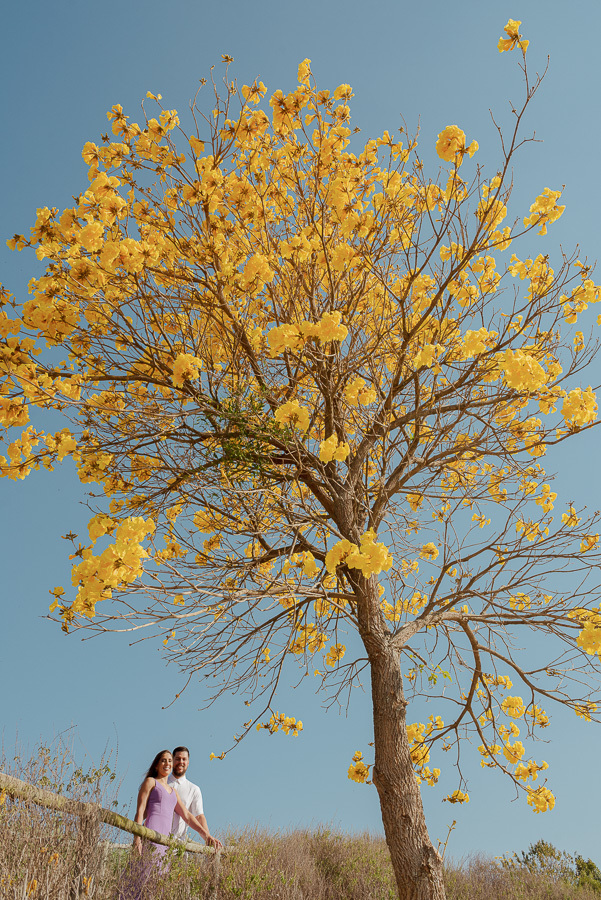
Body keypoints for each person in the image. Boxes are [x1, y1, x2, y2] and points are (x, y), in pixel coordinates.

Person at [168, 745, 222, 849]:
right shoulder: (161, 783)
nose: (181, 762)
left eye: (184, 759)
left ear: (188, 762)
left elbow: (199, 816)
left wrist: (208, 838)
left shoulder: (193, 789)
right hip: (155, 840)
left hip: (179, 846)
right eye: (177, 759)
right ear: (172, 760)